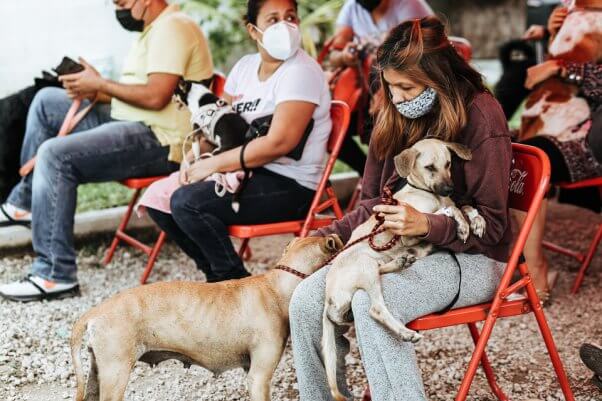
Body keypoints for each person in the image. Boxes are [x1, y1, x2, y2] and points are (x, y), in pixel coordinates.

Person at [289, 16, 513, 401]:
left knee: (373, 305)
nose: (398, 97)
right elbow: (374, 205)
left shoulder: (480, 116)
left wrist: (425, 224)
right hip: (405, 252)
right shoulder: (394, 114)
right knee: (304, 302)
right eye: (391, 87)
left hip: (476, 259)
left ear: (438, 78)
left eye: (407, 87)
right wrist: (325, 238)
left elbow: (492, 228)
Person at [0, 0, 213, 302]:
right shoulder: (152, 30)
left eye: (122, 2)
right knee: (47, 101)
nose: (118, 9)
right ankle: (26, 202)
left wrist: (102, 84)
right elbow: (137, 93)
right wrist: (94, 88)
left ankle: (54, 273)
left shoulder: (174, 27)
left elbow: (155, 98)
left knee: (55, 155)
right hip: (135, 120)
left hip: (164, 140)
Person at [144, 0, 332, 283]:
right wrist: (198, 154)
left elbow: (278, 143)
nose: (285, 25)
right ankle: (217, 278)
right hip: (248, 172)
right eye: (273, 19)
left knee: (188, 202)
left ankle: (233, 282)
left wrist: (213, 166)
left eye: (291, 16)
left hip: (292, 184)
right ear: (253, 31)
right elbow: (220, 124)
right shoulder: (245, 67)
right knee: (159, 198)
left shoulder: (300, 71)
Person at [518, 2, 602, 300]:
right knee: (509, 153)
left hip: (592, 141)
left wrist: (561, 66)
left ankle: (535, 270)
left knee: (528, 161)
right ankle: (524, 262)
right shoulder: (573, 8)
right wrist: (553, 33)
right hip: (569, 123)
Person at [328, 0, 433, 176]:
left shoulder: (408, 5)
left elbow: (429, 51)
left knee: (383, 124)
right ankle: (370, 175)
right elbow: (334, 55)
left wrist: (388, 89)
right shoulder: (351, 8)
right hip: (366, 94)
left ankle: (386, 178)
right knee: (329, 128)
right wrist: (345, 56)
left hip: (402, 93)